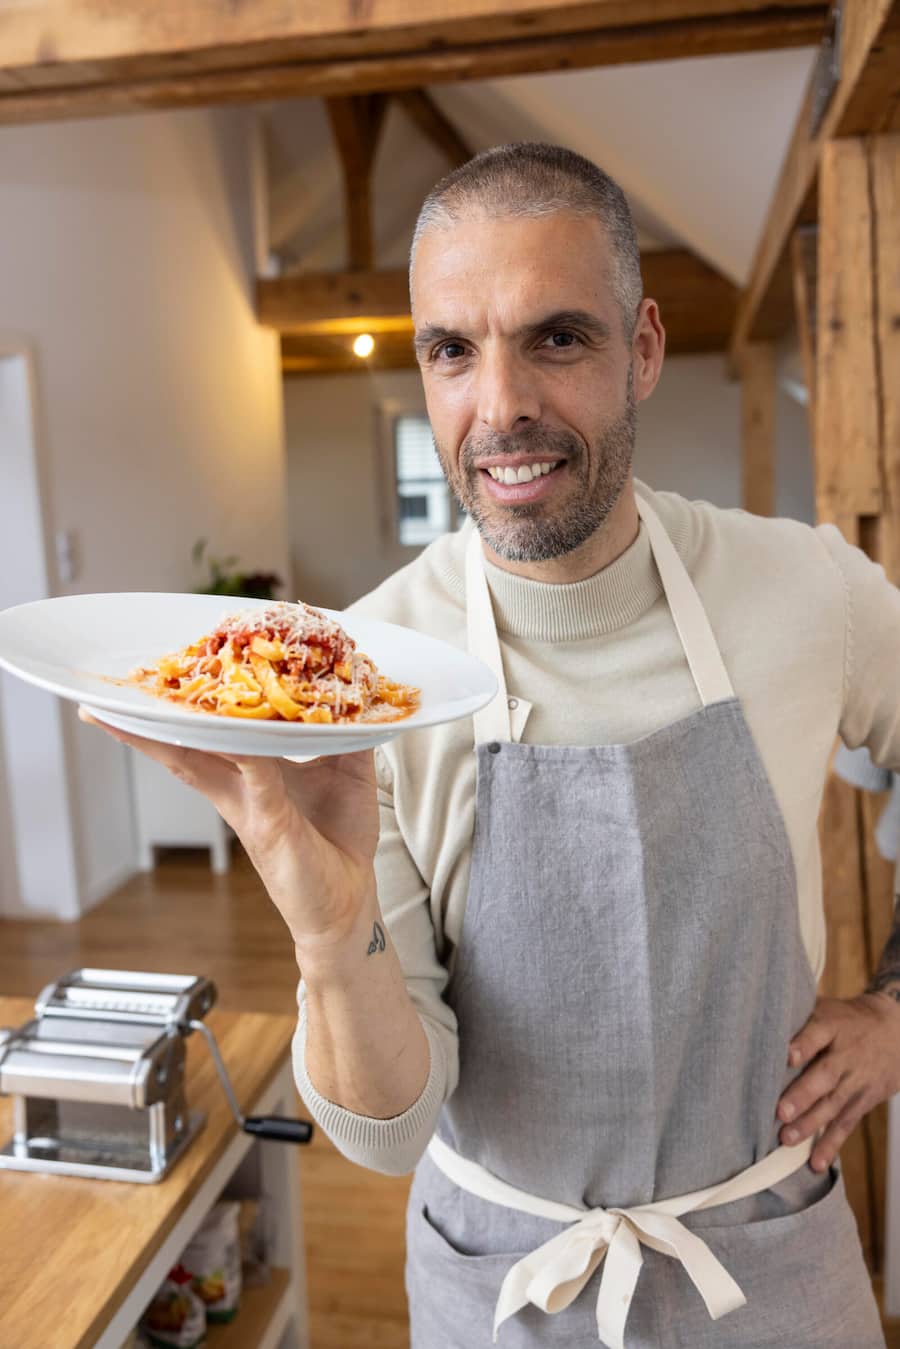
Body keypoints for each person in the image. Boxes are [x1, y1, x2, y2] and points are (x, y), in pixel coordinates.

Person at [85, 144, 900, 1347]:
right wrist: (328, 931)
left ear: (645, 349)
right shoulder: (370, 674)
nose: (501, 403)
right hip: (504, 1283)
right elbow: (387, 1128)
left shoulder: (807, 588)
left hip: (769, 1262)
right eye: (452, 350)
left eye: (556, 338)